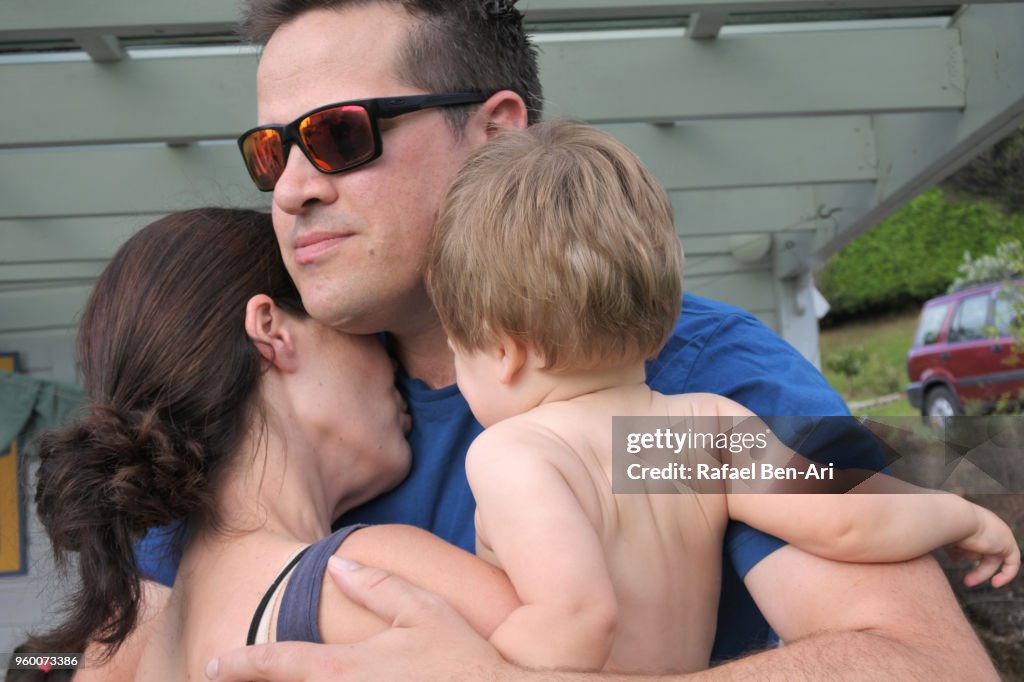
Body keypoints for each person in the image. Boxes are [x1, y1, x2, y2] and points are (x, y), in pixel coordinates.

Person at [189, 0, 1000, 678]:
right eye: (269, 152)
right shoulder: (678, 427)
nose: (292, 188)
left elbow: (931, 663)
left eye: (338, 133)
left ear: (496, 132)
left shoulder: (632, 398)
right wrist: (954, 511)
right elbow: (847, 516)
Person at [423, 119, 1020, 673]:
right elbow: (845, 521)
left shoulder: (516, 453)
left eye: (458, 349)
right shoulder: (696, 431)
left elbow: (577, 619)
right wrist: (958, 513)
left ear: (504, 351)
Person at [16, 208, 517, 681]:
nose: (385, 354)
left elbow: (55, 663)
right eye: (351, 322)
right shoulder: (367, 572)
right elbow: (585, 650)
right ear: (272, 331)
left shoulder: (150, 637)